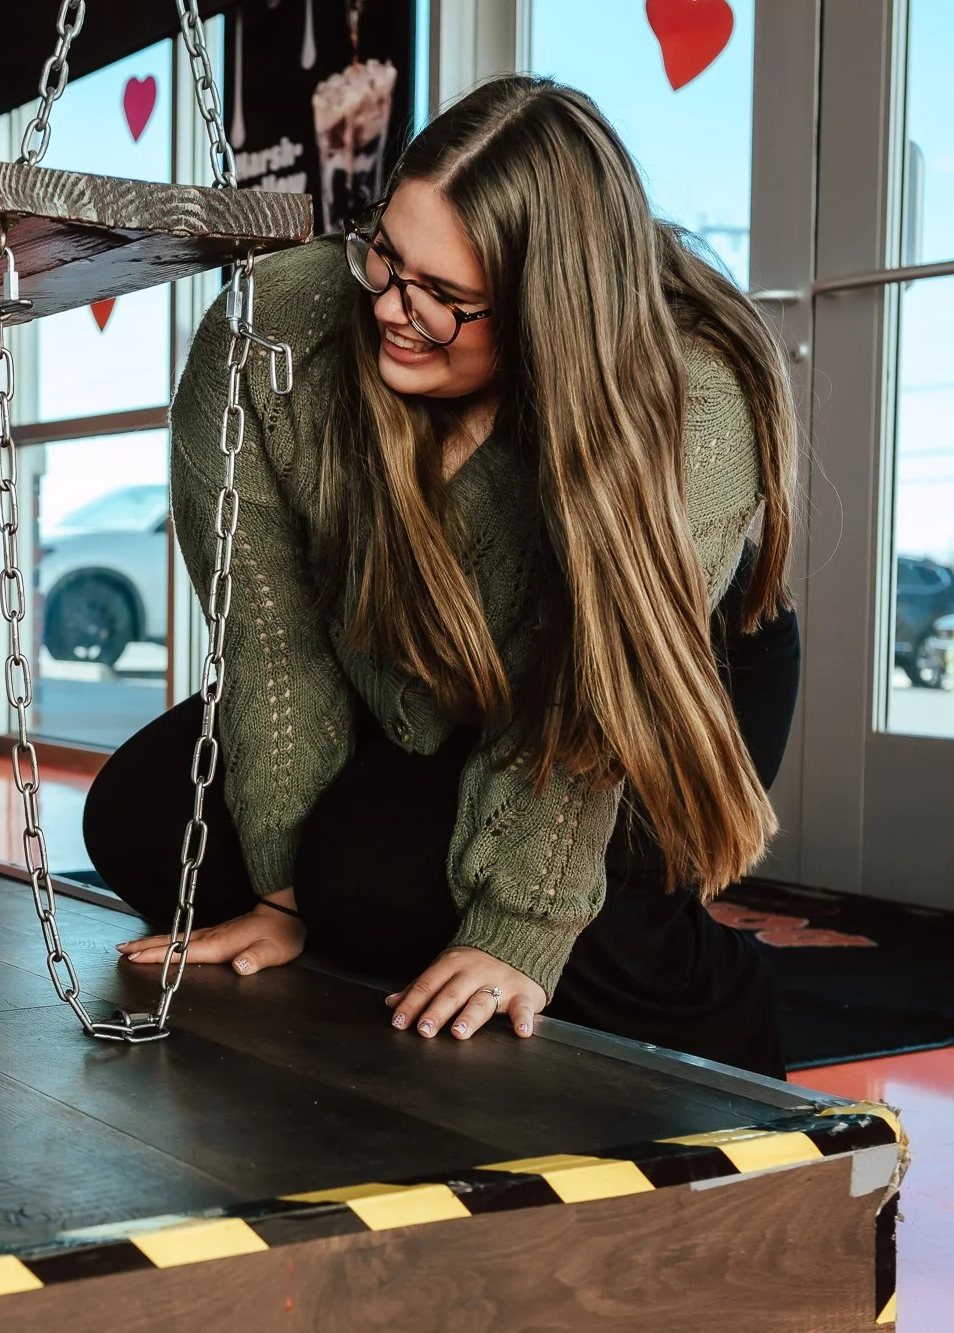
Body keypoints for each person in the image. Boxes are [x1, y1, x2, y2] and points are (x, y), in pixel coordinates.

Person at [88, 76, 798, 1077]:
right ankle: (407, 937)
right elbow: (270, 634)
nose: (391, 308)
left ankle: (709, 1011)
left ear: (549, 311)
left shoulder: (690, 395)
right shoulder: (271, 335)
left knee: (388, 882)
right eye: (385, 254)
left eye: (447, 300)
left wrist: (517, 926)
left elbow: (583, 700)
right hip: (415, 662)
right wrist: (283, 897)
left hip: (656, 680)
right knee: (142, 820)